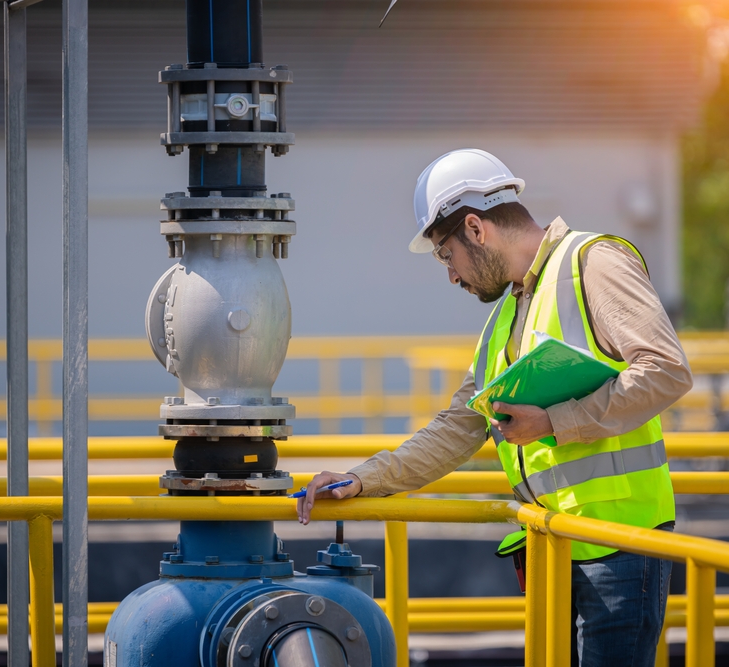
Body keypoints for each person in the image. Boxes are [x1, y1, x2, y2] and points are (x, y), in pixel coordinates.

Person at [295, 148, 692, 667]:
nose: (452, 276)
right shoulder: (509, 314)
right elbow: (459, 426)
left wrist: (553, 422)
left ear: (477, 229)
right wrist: (365, 479)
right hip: (556, 547)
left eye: (445, 254)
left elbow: (667, 370)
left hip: (618, 549)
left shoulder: (592, 263)